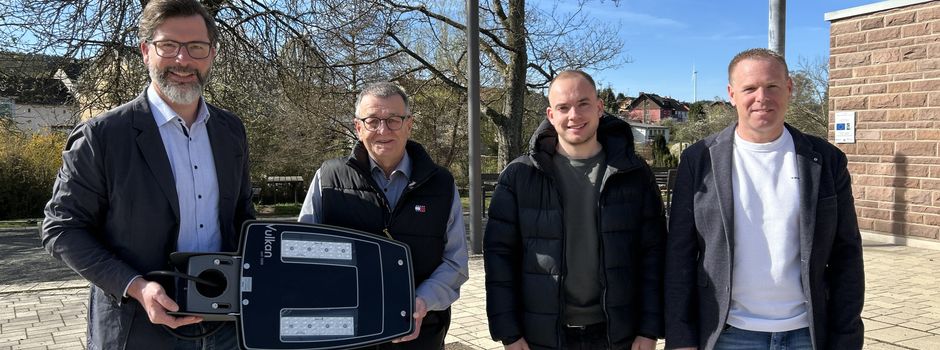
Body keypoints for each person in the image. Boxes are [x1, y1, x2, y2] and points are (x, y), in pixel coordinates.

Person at [41, 0, 254, 348]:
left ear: (212, 54)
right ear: (145, 51)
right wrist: (137, 286)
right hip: (137, 326)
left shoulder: (231, 130)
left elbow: (242, 214)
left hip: (223, 327)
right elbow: (62, 229)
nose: (182, 60)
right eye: (168, 46)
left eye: (196, 47)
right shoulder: (103, 136)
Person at [664, 48, 864, 350]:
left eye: (772, 86)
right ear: (732, 94)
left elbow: (846, 254)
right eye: (749, 88)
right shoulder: (699, 160)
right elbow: (679, 253)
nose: (762, 97)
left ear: (789, 89)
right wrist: (680, 337)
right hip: (726, 335)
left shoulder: (826, 160)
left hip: (807, 335)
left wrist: (846, 338)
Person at [483, 70, 667, 350]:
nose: (574, 115)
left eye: (583, 104)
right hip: (541, 335)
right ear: (550, 114)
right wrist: (509, 333)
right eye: (563, 107)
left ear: (599, 108)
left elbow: (654, 255)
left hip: (619, 334)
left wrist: (649, 329)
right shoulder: (519, 176)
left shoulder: (634, 174)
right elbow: (499, 259)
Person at [298, 81, 469, 349]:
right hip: (346, 334)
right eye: (372, 120)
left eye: (393, 120)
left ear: (409, 124)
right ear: (358, 127)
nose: (382, 130)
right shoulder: (327, 179)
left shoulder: (442, 184)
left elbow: (455, 263)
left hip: (421, 333)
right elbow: (302, 257)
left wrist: (421, 302)